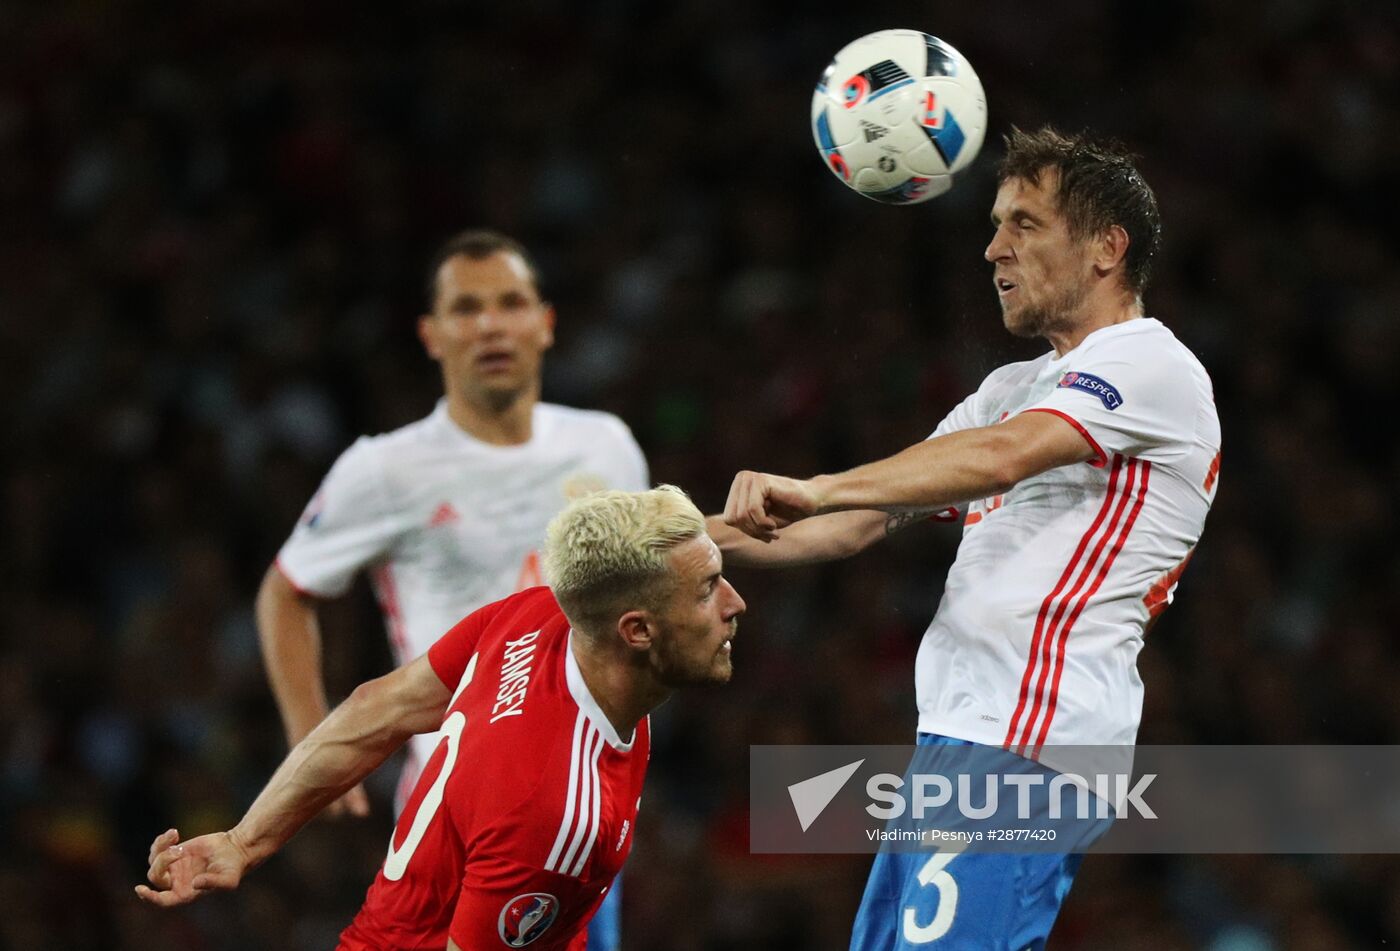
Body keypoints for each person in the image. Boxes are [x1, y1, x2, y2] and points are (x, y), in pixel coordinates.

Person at [715, 126, 1221, 949]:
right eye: (995, 224)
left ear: (1106, 248)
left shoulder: (1152, 365)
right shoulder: (1010, 388)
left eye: (1023, 224)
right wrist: (659, 540)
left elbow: (1002, 457)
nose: (993, 249)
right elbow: (854, 523)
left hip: (1030, 740)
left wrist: (814, 484)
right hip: (960, 736)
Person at [139, 486, 745, 951]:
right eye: (708, 589)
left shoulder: (536, 618)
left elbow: (373, 711)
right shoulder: (557, 812)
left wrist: (244, 842)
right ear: (635, 631)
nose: (734, 603)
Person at [257, 230, 647, 946]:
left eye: (510, 302)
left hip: (587, 799)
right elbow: (286, 590)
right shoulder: (385, 470)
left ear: (546, 321)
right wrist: (311, 738)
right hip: (462, 806)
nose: (491, 324)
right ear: (431, 335)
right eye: (467, 309)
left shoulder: (607, 446)